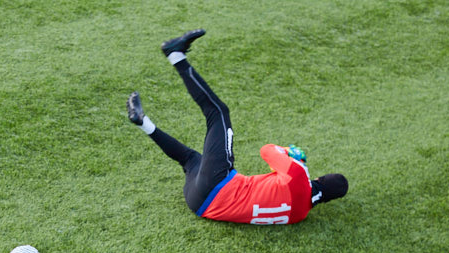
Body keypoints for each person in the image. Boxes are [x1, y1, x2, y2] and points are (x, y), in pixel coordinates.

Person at [126, 29, 348, 225]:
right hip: (199, 204)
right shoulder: (301, 215)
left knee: (218, 112)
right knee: (190, 159)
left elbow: (266, 150)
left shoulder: (298, 175)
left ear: (320, 179)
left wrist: (289, 154)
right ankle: (142, 122)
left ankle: (175, 54)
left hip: (217, 185)